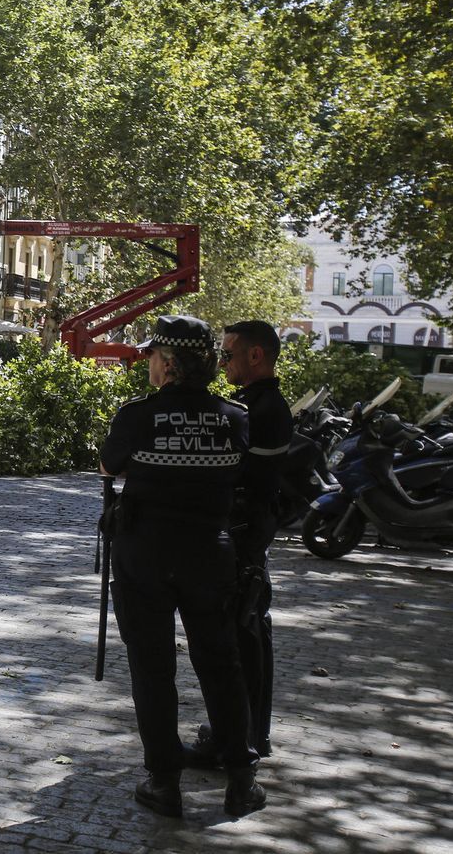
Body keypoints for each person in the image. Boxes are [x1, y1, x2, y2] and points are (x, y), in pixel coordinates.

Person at [100, 315, 266, 819]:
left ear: (168, 363)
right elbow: (246, 476)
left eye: (151, 355)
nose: (147, 363)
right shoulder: (234, 416)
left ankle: (164, 782)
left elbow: (110, 466)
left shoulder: (137, 415)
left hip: (145, 553)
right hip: (208, 554)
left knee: (152, 670)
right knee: (221, 666)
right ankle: (240, 780)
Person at [185, 320, 293, 765]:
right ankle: (244, 733)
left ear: (255, 356)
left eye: (228, 354)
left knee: (239, 639)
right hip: (244, 534)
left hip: (244, 537)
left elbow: (237, 477)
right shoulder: (255, 404)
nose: (222, 362)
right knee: (244, 634)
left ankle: (239, 740)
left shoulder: (259, 409)